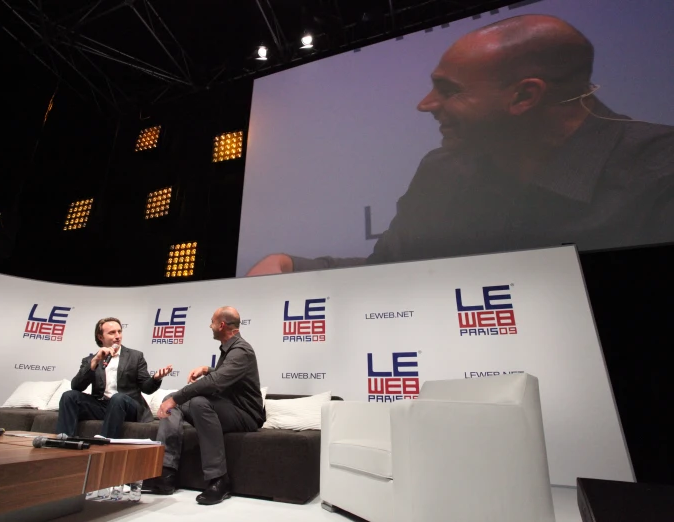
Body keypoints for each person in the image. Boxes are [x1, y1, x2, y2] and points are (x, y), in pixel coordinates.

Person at [246, 14, 674, 276]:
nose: (425, 105)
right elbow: (390, 273)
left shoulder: (660, 175)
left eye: (448, 91)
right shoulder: (442, 171)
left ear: (525, 96)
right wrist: (291, 265)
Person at [147, 306, 265, 505]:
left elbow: (215, 382)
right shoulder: (230, 349)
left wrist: (177, 397)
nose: (210, 326)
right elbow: (225, 376)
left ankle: (219, 480)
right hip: (229, 407)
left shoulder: (241, 350)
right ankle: (166, 474)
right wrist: (207, 369)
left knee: (196, 402)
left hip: (246, 415)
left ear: (221, 325)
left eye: (212, 322)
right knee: (173, 404)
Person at [55, 317, 173, 438]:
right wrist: (95, 362)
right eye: (112, 333)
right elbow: (76, 386)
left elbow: (146, 388)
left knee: (118, 398)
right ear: (100, 337)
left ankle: (105, 440)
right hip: (102, 406)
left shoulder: (135, 356)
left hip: (127, 406)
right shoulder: (91, 360)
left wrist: (156, 378)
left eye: (119, 331)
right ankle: (65, 440)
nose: (117, 336)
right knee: (69, 396)